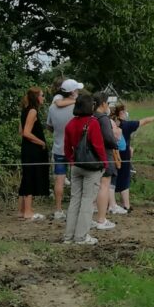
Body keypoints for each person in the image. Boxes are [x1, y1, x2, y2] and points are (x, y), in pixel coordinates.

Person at [62, 92, 105, 245]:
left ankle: (69, 236)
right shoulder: (92, 123)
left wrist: (71, 161)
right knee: (87, 201)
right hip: (92, 167)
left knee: (75, 200)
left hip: (76, 166)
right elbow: (98, 146)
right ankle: (81, 237)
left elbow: (67, 148)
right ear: (90, 106)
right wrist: (104, 163)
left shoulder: (70, 124)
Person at [109, 102, 154, 213]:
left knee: (111, 180)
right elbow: (144, 121)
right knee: (125, 179)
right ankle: (126, 205)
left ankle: (111, 204)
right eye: (125, 111)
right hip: (123, 156)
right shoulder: (127, 125)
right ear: (121, 112)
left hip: (111, 155)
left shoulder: (110, 123)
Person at [47, 78, 82, 221]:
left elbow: (49, 126)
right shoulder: (77, 108)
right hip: (75, 149)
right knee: (76, 180)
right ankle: (74, 209)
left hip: (58, 148)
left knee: (59, 180)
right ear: (72, 92)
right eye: (77, 90)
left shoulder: (52, 107)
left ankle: (58, 209)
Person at [17, 87, 50, 221]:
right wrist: (41, 142)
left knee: (26, 177)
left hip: (27, 149)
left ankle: (22, 210)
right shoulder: (32, 111)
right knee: (30, 177)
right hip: (32, 150)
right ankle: (28, 212)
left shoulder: (25, 110)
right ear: (36, 97)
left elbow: (20, 130)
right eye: (42, 95)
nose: (43, 98)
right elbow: (25, 132)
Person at [91, 93, 120, 231]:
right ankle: (101, 219)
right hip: (104, 156)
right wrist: (116, 144)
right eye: (107, 103)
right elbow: (109, 138)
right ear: (103, 104)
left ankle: (89, 218)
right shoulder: (103, 118)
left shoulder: (90, 116)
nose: (108, 106)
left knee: (92, 188)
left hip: (91, 157)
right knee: (104, 186)